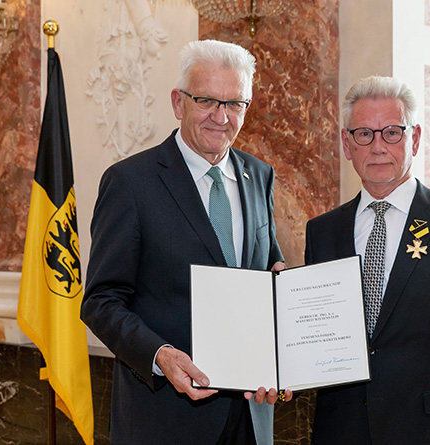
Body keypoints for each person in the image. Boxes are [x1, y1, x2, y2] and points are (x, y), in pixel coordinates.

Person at [81, 39, 290, 445]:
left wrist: (286, 294)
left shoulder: (259, 176)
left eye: (234, 104)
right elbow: (101, 301)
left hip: (251, 416)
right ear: (178, 103)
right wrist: (159, 355)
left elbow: (268, 267)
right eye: (206, 100)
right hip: (164, 419)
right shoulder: (130, 183)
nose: (221, 117)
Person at [305, 76, 430, 444]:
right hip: (341, 432)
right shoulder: (322, 232)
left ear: (414, 138)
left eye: (391, 133)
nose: (378, 147)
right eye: (364, 134)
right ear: (346, 144)